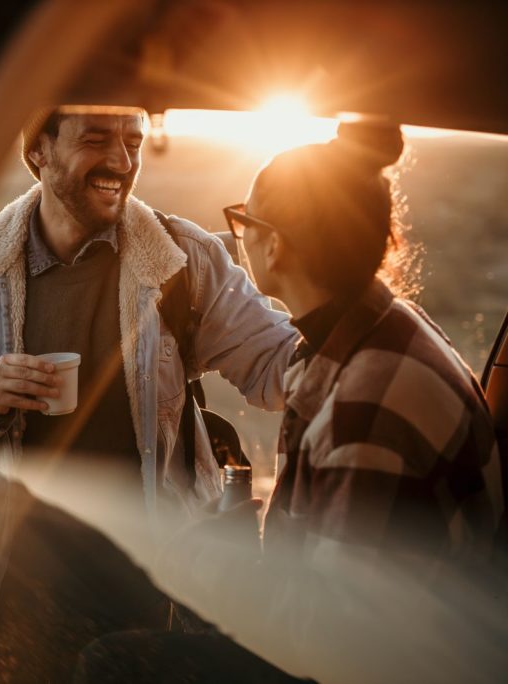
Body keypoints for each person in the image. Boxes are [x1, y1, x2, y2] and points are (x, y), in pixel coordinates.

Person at [0, 105, 297, 671]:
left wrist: (373, 344)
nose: (121, 161)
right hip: (2, 585)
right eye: (96, 139)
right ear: (38, 152)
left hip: (152, 588)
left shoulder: (184, 258)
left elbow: (280, 366)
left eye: (133, 141)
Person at [154, 122, 507, 682]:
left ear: (275, 243)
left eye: (243, 221)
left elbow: (335, 640)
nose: (237, 237)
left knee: (115, 661)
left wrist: (209, 564)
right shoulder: (381, 327)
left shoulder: (368, 409)